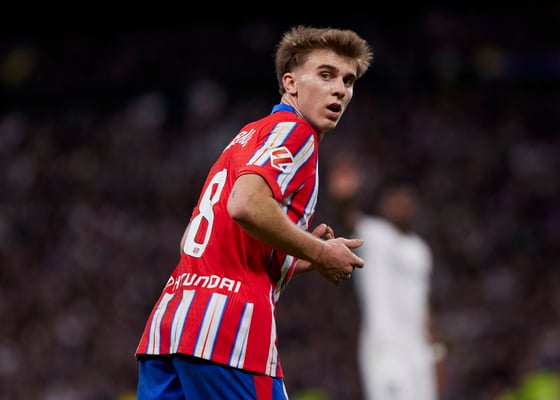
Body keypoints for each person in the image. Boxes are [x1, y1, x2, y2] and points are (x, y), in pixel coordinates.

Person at [135, 25, 374, 400]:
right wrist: (319, 252)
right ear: (290, 83)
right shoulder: (295, 132)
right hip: (227, 331)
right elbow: (245, 204)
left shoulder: (248, 136)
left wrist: (294, 257)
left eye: (348, 80)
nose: (340, 89)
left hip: (169, 326)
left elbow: (203, 237)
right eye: (326, 75)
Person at [327, 155, 443, 400]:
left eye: (406, 201)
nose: (401, 206)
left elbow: (424, 302)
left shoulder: (420, 249)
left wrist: (436, 350)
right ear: (384, 205)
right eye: (395, 200)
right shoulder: (374, 235)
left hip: (418, 349)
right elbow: (348, 219)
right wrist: (343, 198)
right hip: (385, 346)